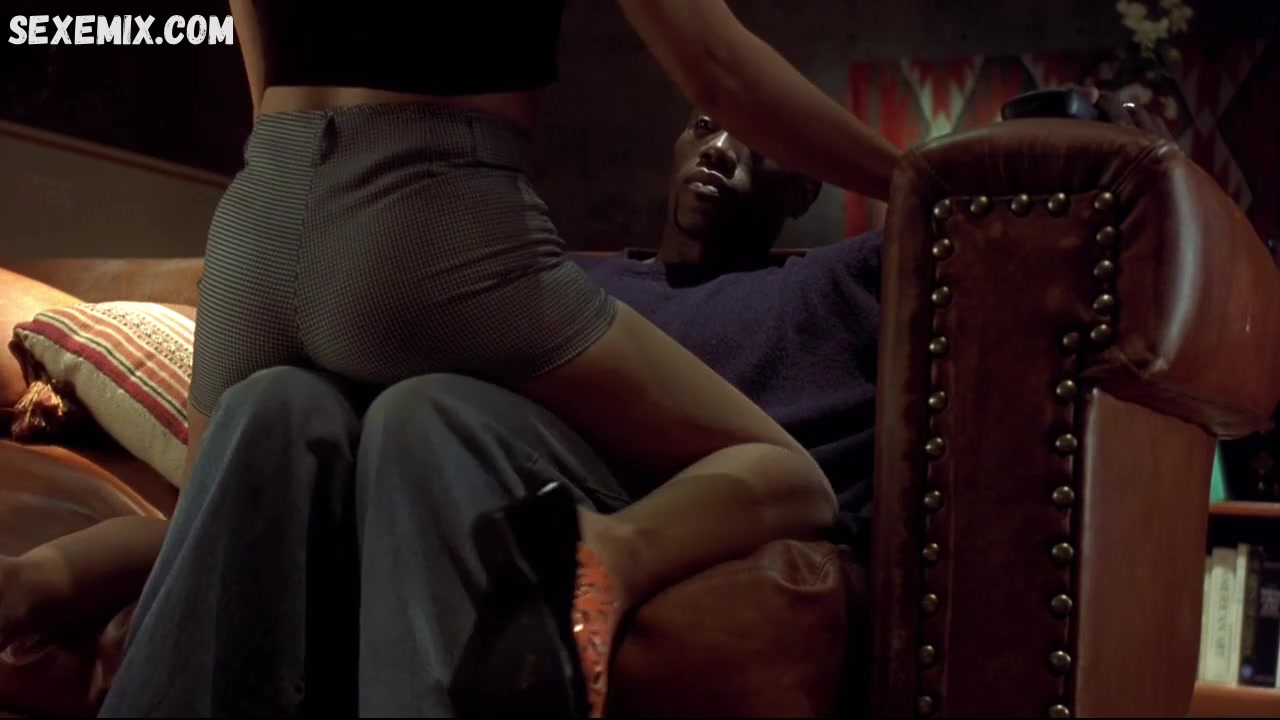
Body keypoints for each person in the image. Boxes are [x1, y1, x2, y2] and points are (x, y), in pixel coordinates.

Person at [0, 2, 904, 718]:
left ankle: (29, 582)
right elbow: (718, 66)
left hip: (261, 215)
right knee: (786, 474)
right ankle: (607, 552)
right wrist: (919, 182)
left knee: (237, 476)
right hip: (429, 209)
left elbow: (263, 78)